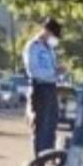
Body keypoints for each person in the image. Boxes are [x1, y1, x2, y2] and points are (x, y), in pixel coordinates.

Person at [23, 17, 62, 156]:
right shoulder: (33, 46)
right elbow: (33, 70)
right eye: (54, 35)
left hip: (51, 88)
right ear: (46, 31)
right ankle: (39, 161)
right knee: (41, 126)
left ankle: (48, 159)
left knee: (51, 126)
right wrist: (53, 72)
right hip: (39, 88)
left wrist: (58, 72)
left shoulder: (50, 49)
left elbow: (52, 70)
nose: (55, 39)